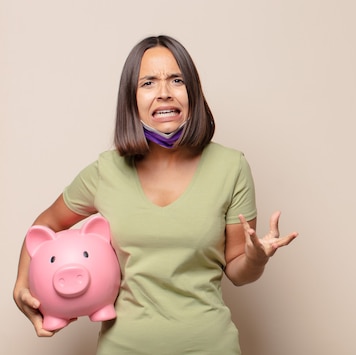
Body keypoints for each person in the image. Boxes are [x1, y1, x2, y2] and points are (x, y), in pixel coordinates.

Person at [13, 35, 299, 355]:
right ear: (131, 98)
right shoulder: (106, 171)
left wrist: (256, 259)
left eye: (176, 80)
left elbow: (238, 270)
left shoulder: (231, 167)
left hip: (209, 346)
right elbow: (46, 225)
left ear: (192, 91)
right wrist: (21, 286)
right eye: (148, 83)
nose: (164, 93)